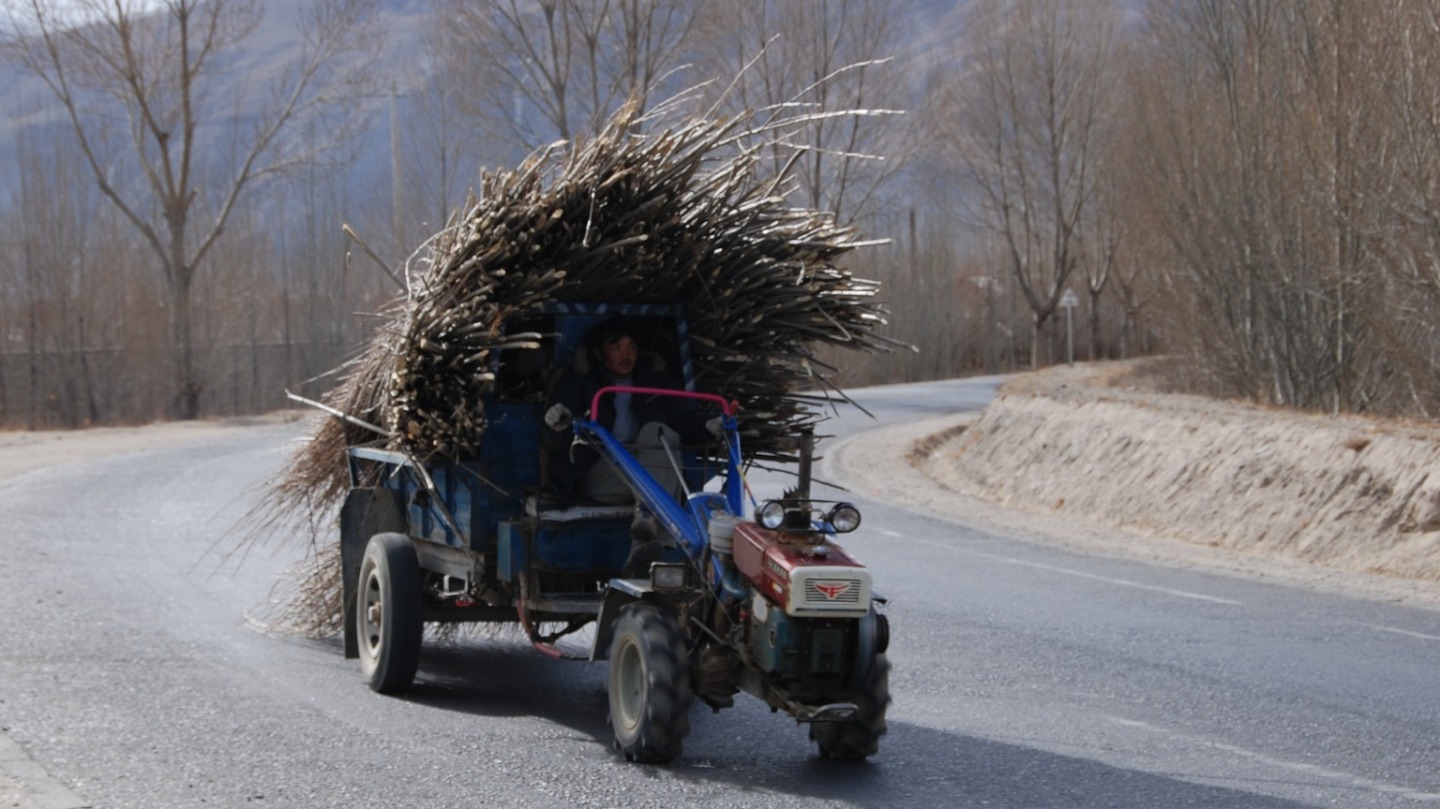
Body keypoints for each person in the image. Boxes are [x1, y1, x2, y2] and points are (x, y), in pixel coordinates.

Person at [541, 318, 721, 574]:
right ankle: (652, 532)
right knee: (653, 463)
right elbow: (554, 438)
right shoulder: (580, 382)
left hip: (646, 472)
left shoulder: (653, 381)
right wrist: (556, 425)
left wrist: (707, 426)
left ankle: (644, 529)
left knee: (656, 431)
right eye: (616, 348)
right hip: (602, 473)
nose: (626, 355)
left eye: (631, 347)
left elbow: (683, 416)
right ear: (599, 353)